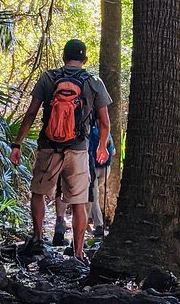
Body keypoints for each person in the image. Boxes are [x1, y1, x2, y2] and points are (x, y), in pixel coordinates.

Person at [9, 39, 112, 263]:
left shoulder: (48, 78)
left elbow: (31, 113)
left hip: (49, 147)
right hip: (78, 150)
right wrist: (102, 146)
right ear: (84, 60)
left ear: (64, 57)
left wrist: (17, 143)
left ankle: (37, 240)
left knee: (38, 192)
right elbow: (104, 121)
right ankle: (77, 252)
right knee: (78, 201)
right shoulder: (93, 81)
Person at [88, 124, 114, 237]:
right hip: (106, 168)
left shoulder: (89, 131)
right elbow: (113, 152)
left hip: (93, 168)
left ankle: (99, 225)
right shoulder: (106, 132)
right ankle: (90, 218)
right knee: (94, 195)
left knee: (93, 196)